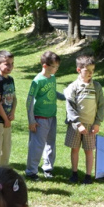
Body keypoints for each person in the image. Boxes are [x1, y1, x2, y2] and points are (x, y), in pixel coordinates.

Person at [64, 54, 104, 184]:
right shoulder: (73, 86)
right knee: (75, 149)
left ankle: (88, 176)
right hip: (76, 125)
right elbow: (70, 107)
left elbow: (101, 105)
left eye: (92, 70)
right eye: (87, 70)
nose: (90, 73)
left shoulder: (96, 86)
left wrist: (97, 123)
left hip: (90, 125)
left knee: (89, 150)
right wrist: (77, 123)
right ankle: (74, 173)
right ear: (79, 70)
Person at [25, 51, 64, 180]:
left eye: (58, 67)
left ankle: (48, 168)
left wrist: (64, 97)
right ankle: (31, 171)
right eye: (54, 66)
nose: (56, 69)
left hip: (52, 117)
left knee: (50, 144)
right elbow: (29, 100)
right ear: (45, 66)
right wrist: (31, 120)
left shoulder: (52, 77)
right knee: (37, 145)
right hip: (40, 119)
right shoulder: (37, 81)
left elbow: (53, 92)